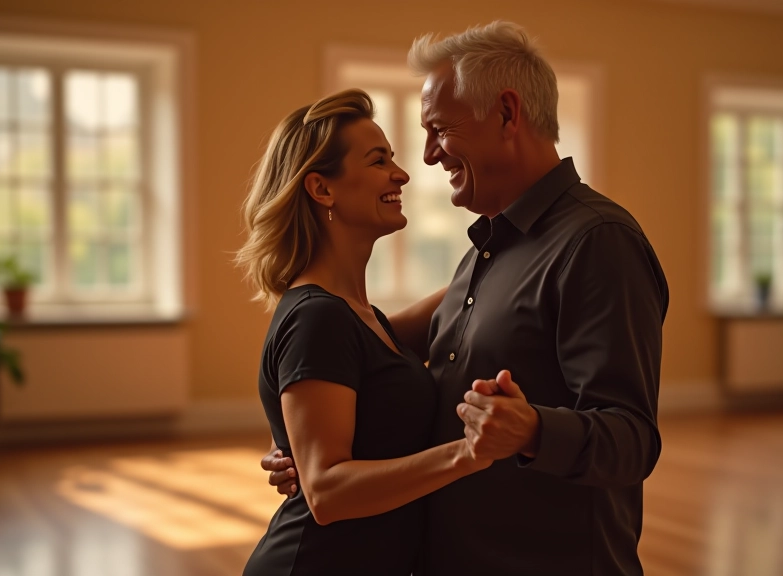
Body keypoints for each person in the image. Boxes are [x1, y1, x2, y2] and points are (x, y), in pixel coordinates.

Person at [262, 21, 670, 576]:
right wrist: (302, 441)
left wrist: (532, 430)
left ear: (506, 113)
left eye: (439, 129)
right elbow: (354, 357)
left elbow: (633, 440)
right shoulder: (485, 254)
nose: (427, 157)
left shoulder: (598, 243)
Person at [235, 89, 499, 576]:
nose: (402, 174)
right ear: (322, 189)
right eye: (379, 161)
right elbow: (327, 492)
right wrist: (468, 454)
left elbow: (475, 289)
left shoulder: (363, 318)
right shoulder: (318, 318)